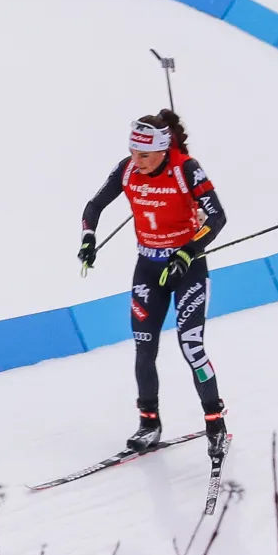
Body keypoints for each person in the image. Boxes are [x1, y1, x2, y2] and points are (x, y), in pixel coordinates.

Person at [77, 109, 229, 460]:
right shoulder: (128, 169)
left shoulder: (185, 168)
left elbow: (218, 216)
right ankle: (149, 423)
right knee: (144, 349)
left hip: (186, 269)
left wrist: (188, 252)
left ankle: (215, 423)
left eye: (144, 154)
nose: (137, 160)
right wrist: (88, 237)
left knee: (192, 347)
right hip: (148, 269)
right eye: (133, 152)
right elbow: (94, 204)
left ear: (162, 149)